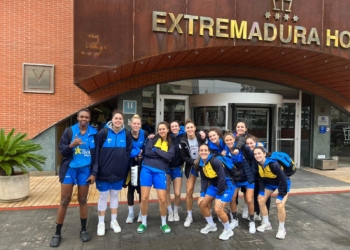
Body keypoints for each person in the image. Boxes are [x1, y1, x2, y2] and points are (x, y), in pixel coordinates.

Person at [50, 108, 97, 248]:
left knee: (82, 200)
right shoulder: (69, 131)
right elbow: (62, 150)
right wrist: (72, 145)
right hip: (70, 169)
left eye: (86, 117)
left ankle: (83, 230)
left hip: (85, 170)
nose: (84, 119)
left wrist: (94, 173)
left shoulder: (94, 134)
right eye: (82, 117)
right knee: (65, 200)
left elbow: (97, 156)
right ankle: (57, 233)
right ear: (77, 118)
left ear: (89, 119)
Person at [92, 110, 132, 236]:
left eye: (120, 118)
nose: (118, 120)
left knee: (115, 195)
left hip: (119, 172)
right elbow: (96, 152)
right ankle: (101, 222)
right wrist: (96, 169)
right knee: (103, 196)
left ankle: (113, 221)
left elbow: (128, 151)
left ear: (123, 121)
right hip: (103, 172)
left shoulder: (126, 134)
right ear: (112, 119)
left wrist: (124, 163)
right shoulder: (103, 133)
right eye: (116, 118)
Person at [137, 122, 176, 234]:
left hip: (161, 171)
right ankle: (143, 222)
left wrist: (156, 150)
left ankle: (163, 223)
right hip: (147, 169)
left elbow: (169, 157)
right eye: (160, 129)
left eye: (164, 129)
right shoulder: (152, 139)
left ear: (168, 130)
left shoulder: (171, 143)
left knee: (162, 199)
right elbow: (147, 152)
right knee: (144, 198)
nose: (162, 131)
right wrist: (162, 154)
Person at [197, 144, 235, 241]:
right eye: (201, 150)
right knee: (201, 203)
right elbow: (204, 180)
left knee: (218, 209)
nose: (203, 152)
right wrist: (202, 195)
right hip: (214, 186)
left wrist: (218, 197)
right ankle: (211, 225)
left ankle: (228, 229)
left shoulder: (215, 161)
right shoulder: (200, 163)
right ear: (199, 152)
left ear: (209, 152)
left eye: (205, 150)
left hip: (227, 186)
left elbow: (222, 179)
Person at [253, 146, 291, 239]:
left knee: (280, 204)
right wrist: (261, 191)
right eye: (255, 154)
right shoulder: (259, 164)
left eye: (259, 153)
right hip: (270, 183)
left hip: (283, 184)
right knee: (261, 200)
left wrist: (281, 196)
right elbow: (261, 178)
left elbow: (283, 181)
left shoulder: (274, 165)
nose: (257, 156)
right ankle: (266, 224)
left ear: (264, 154)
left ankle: (282, 229)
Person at [223, 133, 256, 234]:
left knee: (249, 200)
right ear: (224, 142)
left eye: (230, 139)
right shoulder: (224, 152)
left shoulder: (243, 148)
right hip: (235, 179)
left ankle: (252, 221)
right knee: (232, 198)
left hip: (247, 177)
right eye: (227, 140)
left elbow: (253, 157)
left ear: (234, 139)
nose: (229, 142)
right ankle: (234, 219)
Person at [179, 119, 206, 227]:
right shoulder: (182, 140)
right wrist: (194, 161)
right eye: (188, 128)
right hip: (192, 166)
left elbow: (210, 137)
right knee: (189, 191)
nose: (190, 129)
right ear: (185, 129)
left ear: (195, 128)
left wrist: (204, 132)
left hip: (204, 164)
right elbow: (184, 157)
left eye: (191, 127)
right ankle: (189, 215)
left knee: (208, 189)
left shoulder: (201, 137)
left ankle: (208, 212)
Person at [126, 114, 149, 224]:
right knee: (130, 188)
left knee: (141, 189)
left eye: (138, 124)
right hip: (130, 165)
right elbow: (124, 150)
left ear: (140, 125)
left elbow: (149, 147)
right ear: (130, 124)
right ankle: (130, 213)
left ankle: (141, 212)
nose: (136, 125)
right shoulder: (126, 134)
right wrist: (133, 155)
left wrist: (142, 153)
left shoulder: (144, 133)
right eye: (134, 123)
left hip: (142, 165)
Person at [246, 135, 271, 219]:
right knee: (257, 195)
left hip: (265, 177)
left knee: (265, 196)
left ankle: (265, 217)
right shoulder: (250, 152)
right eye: (247, 143)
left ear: (256, 142)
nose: (249, 145)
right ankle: (257, 213)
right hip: (256, 177)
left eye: (251, 143)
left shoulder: (261, 150)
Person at [166, 121, 186, 222]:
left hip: (177, 167)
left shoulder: (183, 136)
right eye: (172, 126)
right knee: (166, 190)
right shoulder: (166, 136)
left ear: (179, 127)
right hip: (166, 167)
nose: (174, 128)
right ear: (170, 128)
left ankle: (176, 211)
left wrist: (203, 136)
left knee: (177, 193)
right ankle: (170, 212)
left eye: (176, 126)